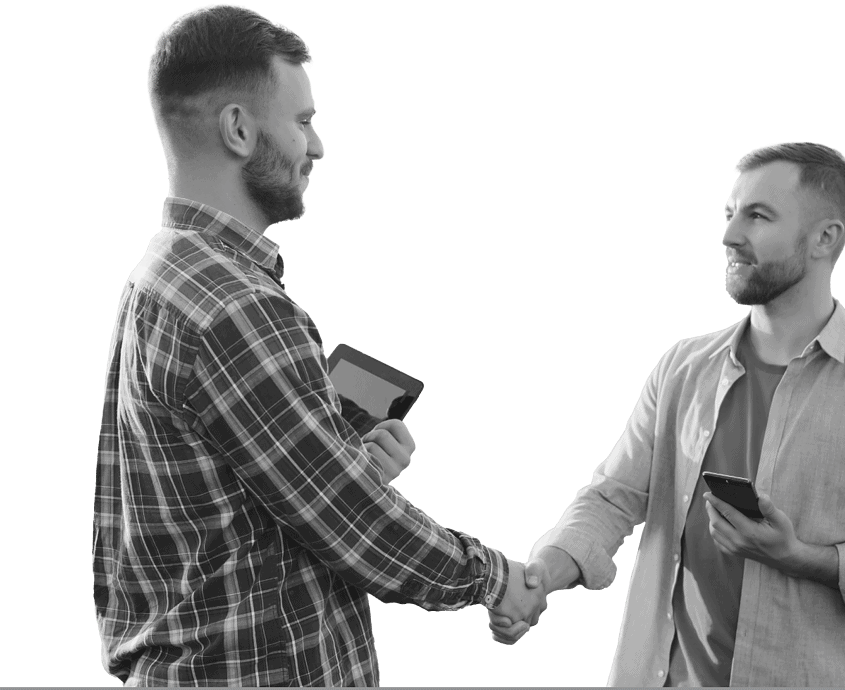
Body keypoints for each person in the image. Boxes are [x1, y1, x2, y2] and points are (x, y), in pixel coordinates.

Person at [93, 5, 545, 686]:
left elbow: (229, 512)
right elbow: (357, 529)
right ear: (239, 129)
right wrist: (496, 578)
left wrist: (343, 464)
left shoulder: (161, 274)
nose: (319, 146)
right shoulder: (236, 306)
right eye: (303, 121)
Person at [488, 142, 845, 687]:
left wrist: (806, 558)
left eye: (758, 216)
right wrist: (540, 575)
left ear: (826, 238)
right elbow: (614, 497)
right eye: (729, 214)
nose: (729, 237)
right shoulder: (681, 367)